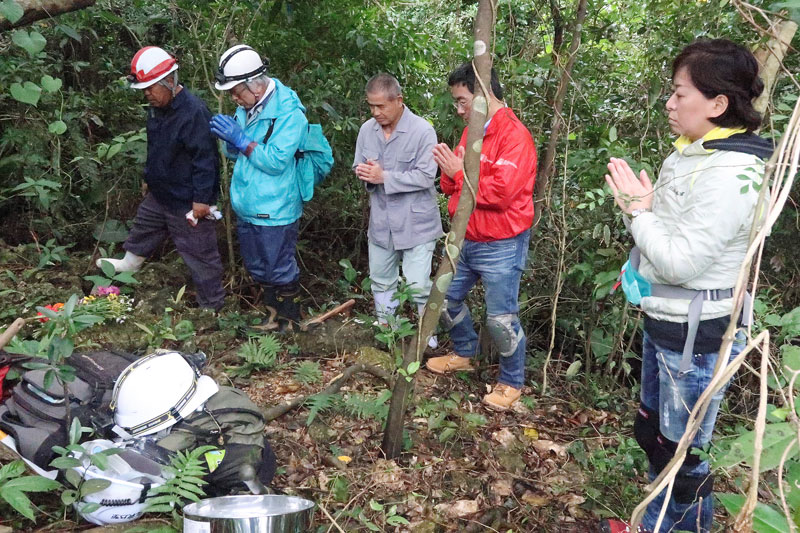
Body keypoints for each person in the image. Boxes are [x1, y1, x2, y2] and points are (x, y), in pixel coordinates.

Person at [601, 39, 772, 533]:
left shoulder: (733, 170)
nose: (670, 104)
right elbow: (668, 237)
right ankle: (655, 524)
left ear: (718, 104)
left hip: (696, 339)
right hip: (668, 322)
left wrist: (638, 211)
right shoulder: (696, 154)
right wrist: (647, 211)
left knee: (683, 456)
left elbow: (679, 261)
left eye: (680, 94)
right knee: (656, 436)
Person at [425, 62, 537, 411]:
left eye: (462, 101)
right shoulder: (471, 130)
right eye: (456, 103)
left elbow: (501, 192)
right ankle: (464, 352)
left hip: (502, 242)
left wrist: (458, 175)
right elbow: (454, 181)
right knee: (444, 300)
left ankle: (511, 382)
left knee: (501, 319)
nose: (458, 110)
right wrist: (449, 175)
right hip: (466, 239)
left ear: (484, 95)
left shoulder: (514, 135)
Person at [97, 46, 225, 311]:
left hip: (187, 202)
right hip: (160, 193)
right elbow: (156, 147)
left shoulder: (194, 112)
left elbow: (206, 159)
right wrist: (149, 177)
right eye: (143, 89)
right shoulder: (157, 109)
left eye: (151, 88)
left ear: (170, 81)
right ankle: (128, 263)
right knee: (142, 230)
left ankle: (212, 309)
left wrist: (202, 200)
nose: (147, 95)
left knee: (201, 257)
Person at [209, 44, 309, 332]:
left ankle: (290, 320)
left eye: (236, 91)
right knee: (258, 266)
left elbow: (277, 160)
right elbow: (238, 153)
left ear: (254, 85)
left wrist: (241, 140)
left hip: (275, 206)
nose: (233, 97)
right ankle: (271, 317)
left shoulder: (289, 113)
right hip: (248, 204)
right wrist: (231, 142)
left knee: (278, 266)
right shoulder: (248, 106)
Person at [352, 73, 442, 337]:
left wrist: (385, 177)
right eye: (371, 106)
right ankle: (388, 333)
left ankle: (429, 339)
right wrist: (366, 174)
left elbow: (427, 175)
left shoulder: (422, 131)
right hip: (381, 222)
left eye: (381, 106)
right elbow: (358, 165)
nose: (375, 112)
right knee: (381, 281)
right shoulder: (367, 130)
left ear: (399, 100)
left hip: (417, 223)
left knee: (417, 285)